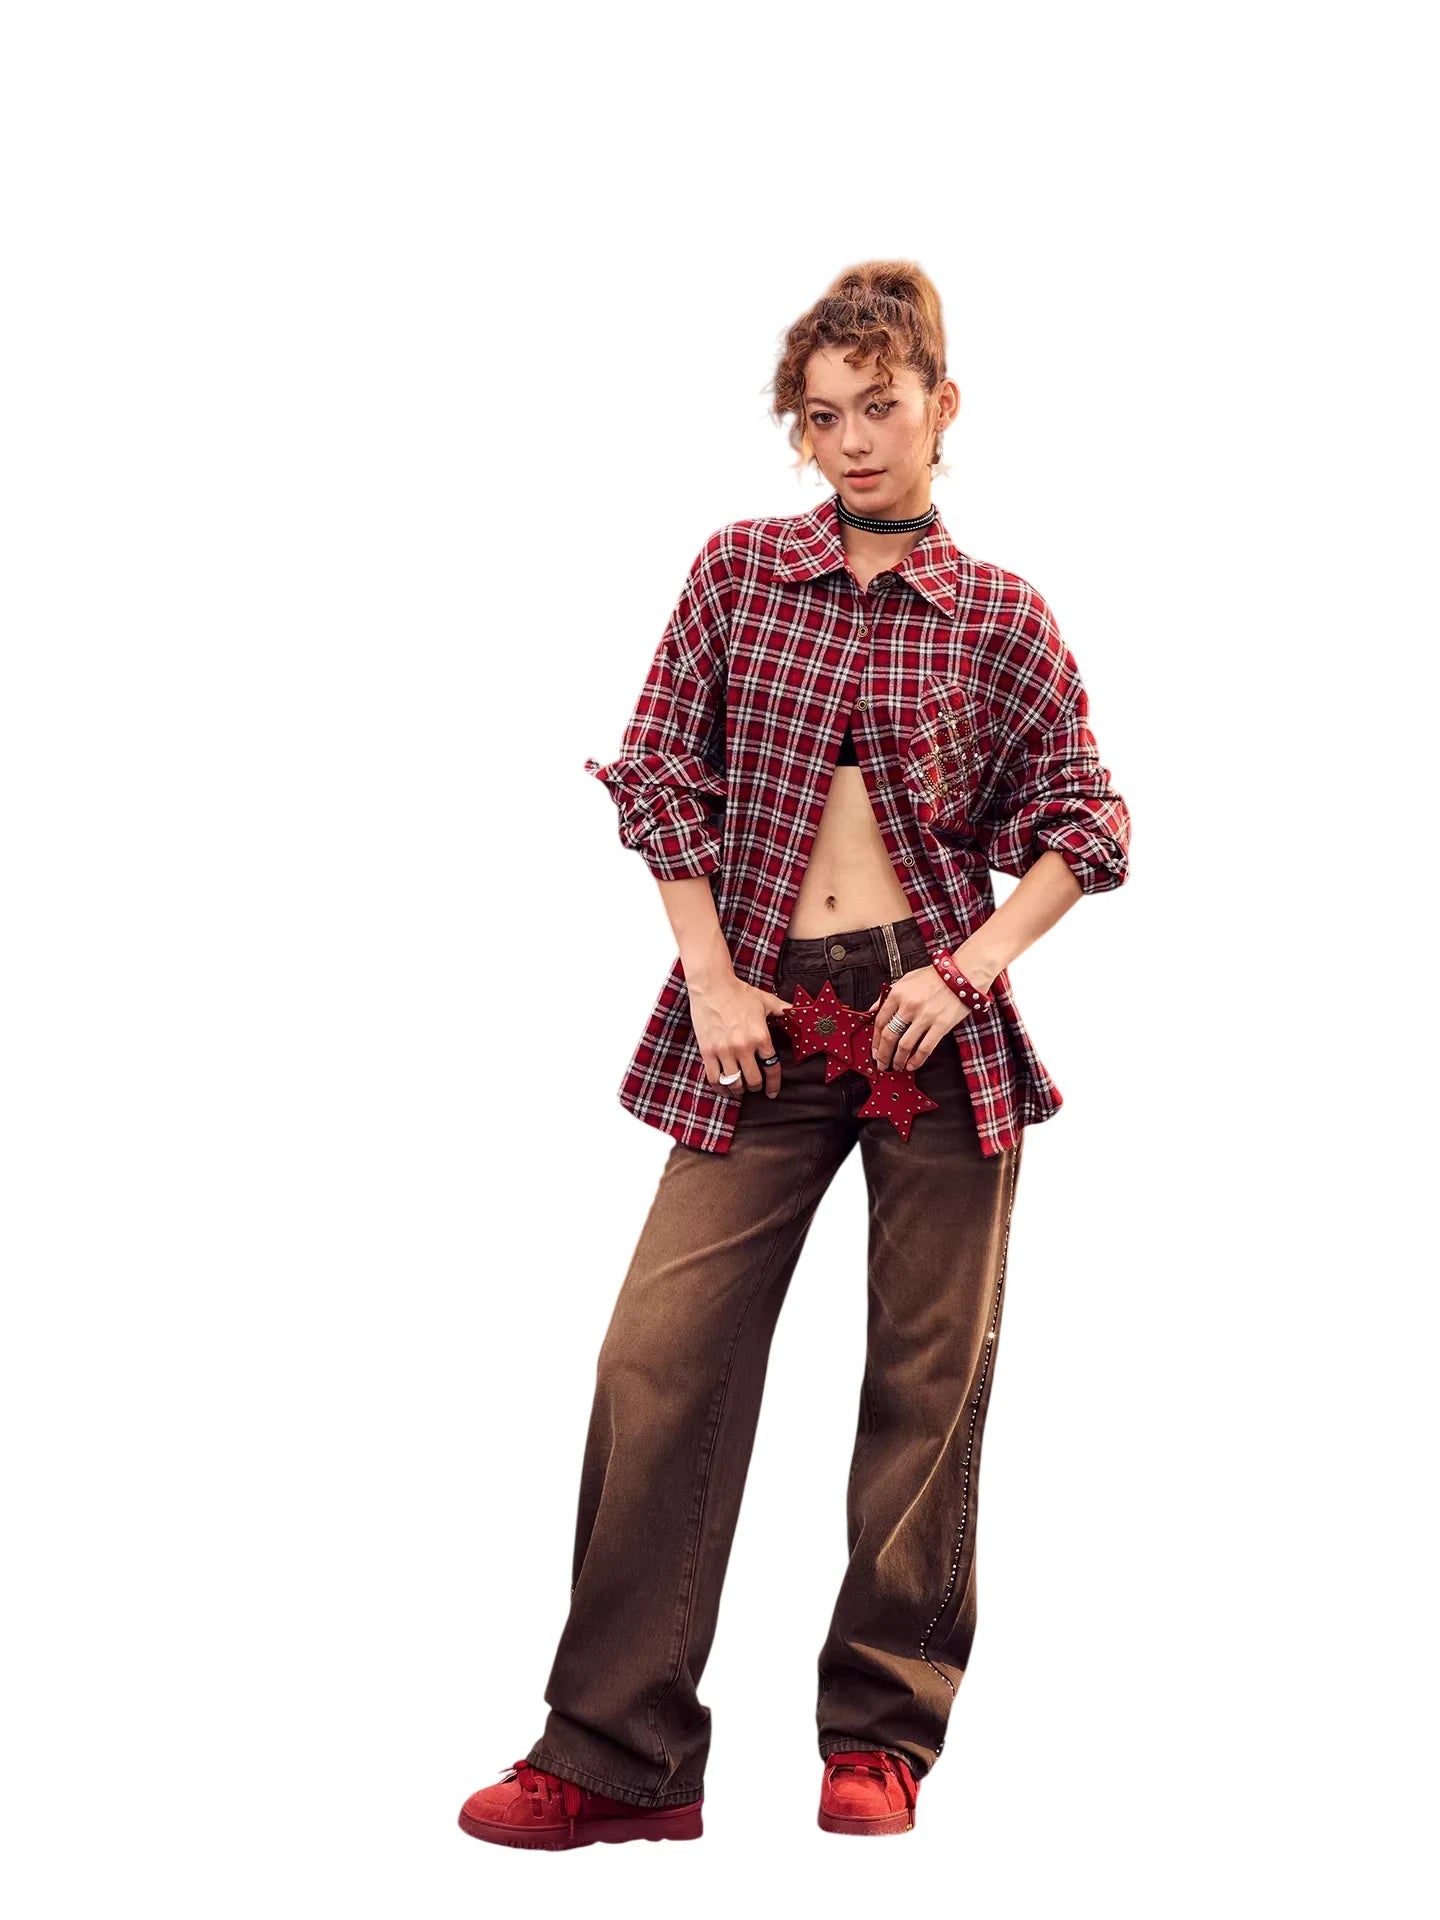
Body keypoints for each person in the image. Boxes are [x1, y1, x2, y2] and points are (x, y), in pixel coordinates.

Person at [458, 260, 1132, 1849]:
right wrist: (709, 978)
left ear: (943, 407)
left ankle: (881, 1735)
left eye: (879, 408)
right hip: (758, 1021)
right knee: (656, 1357)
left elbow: (1089, 825)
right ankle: (618, 1756)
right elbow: (661, 777)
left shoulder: (1001, 616)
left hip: (929, 1027)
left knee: (927, 1377)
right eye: (822, 417)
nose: (852, 442)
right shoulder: (737, 573)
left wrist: (969, 969)